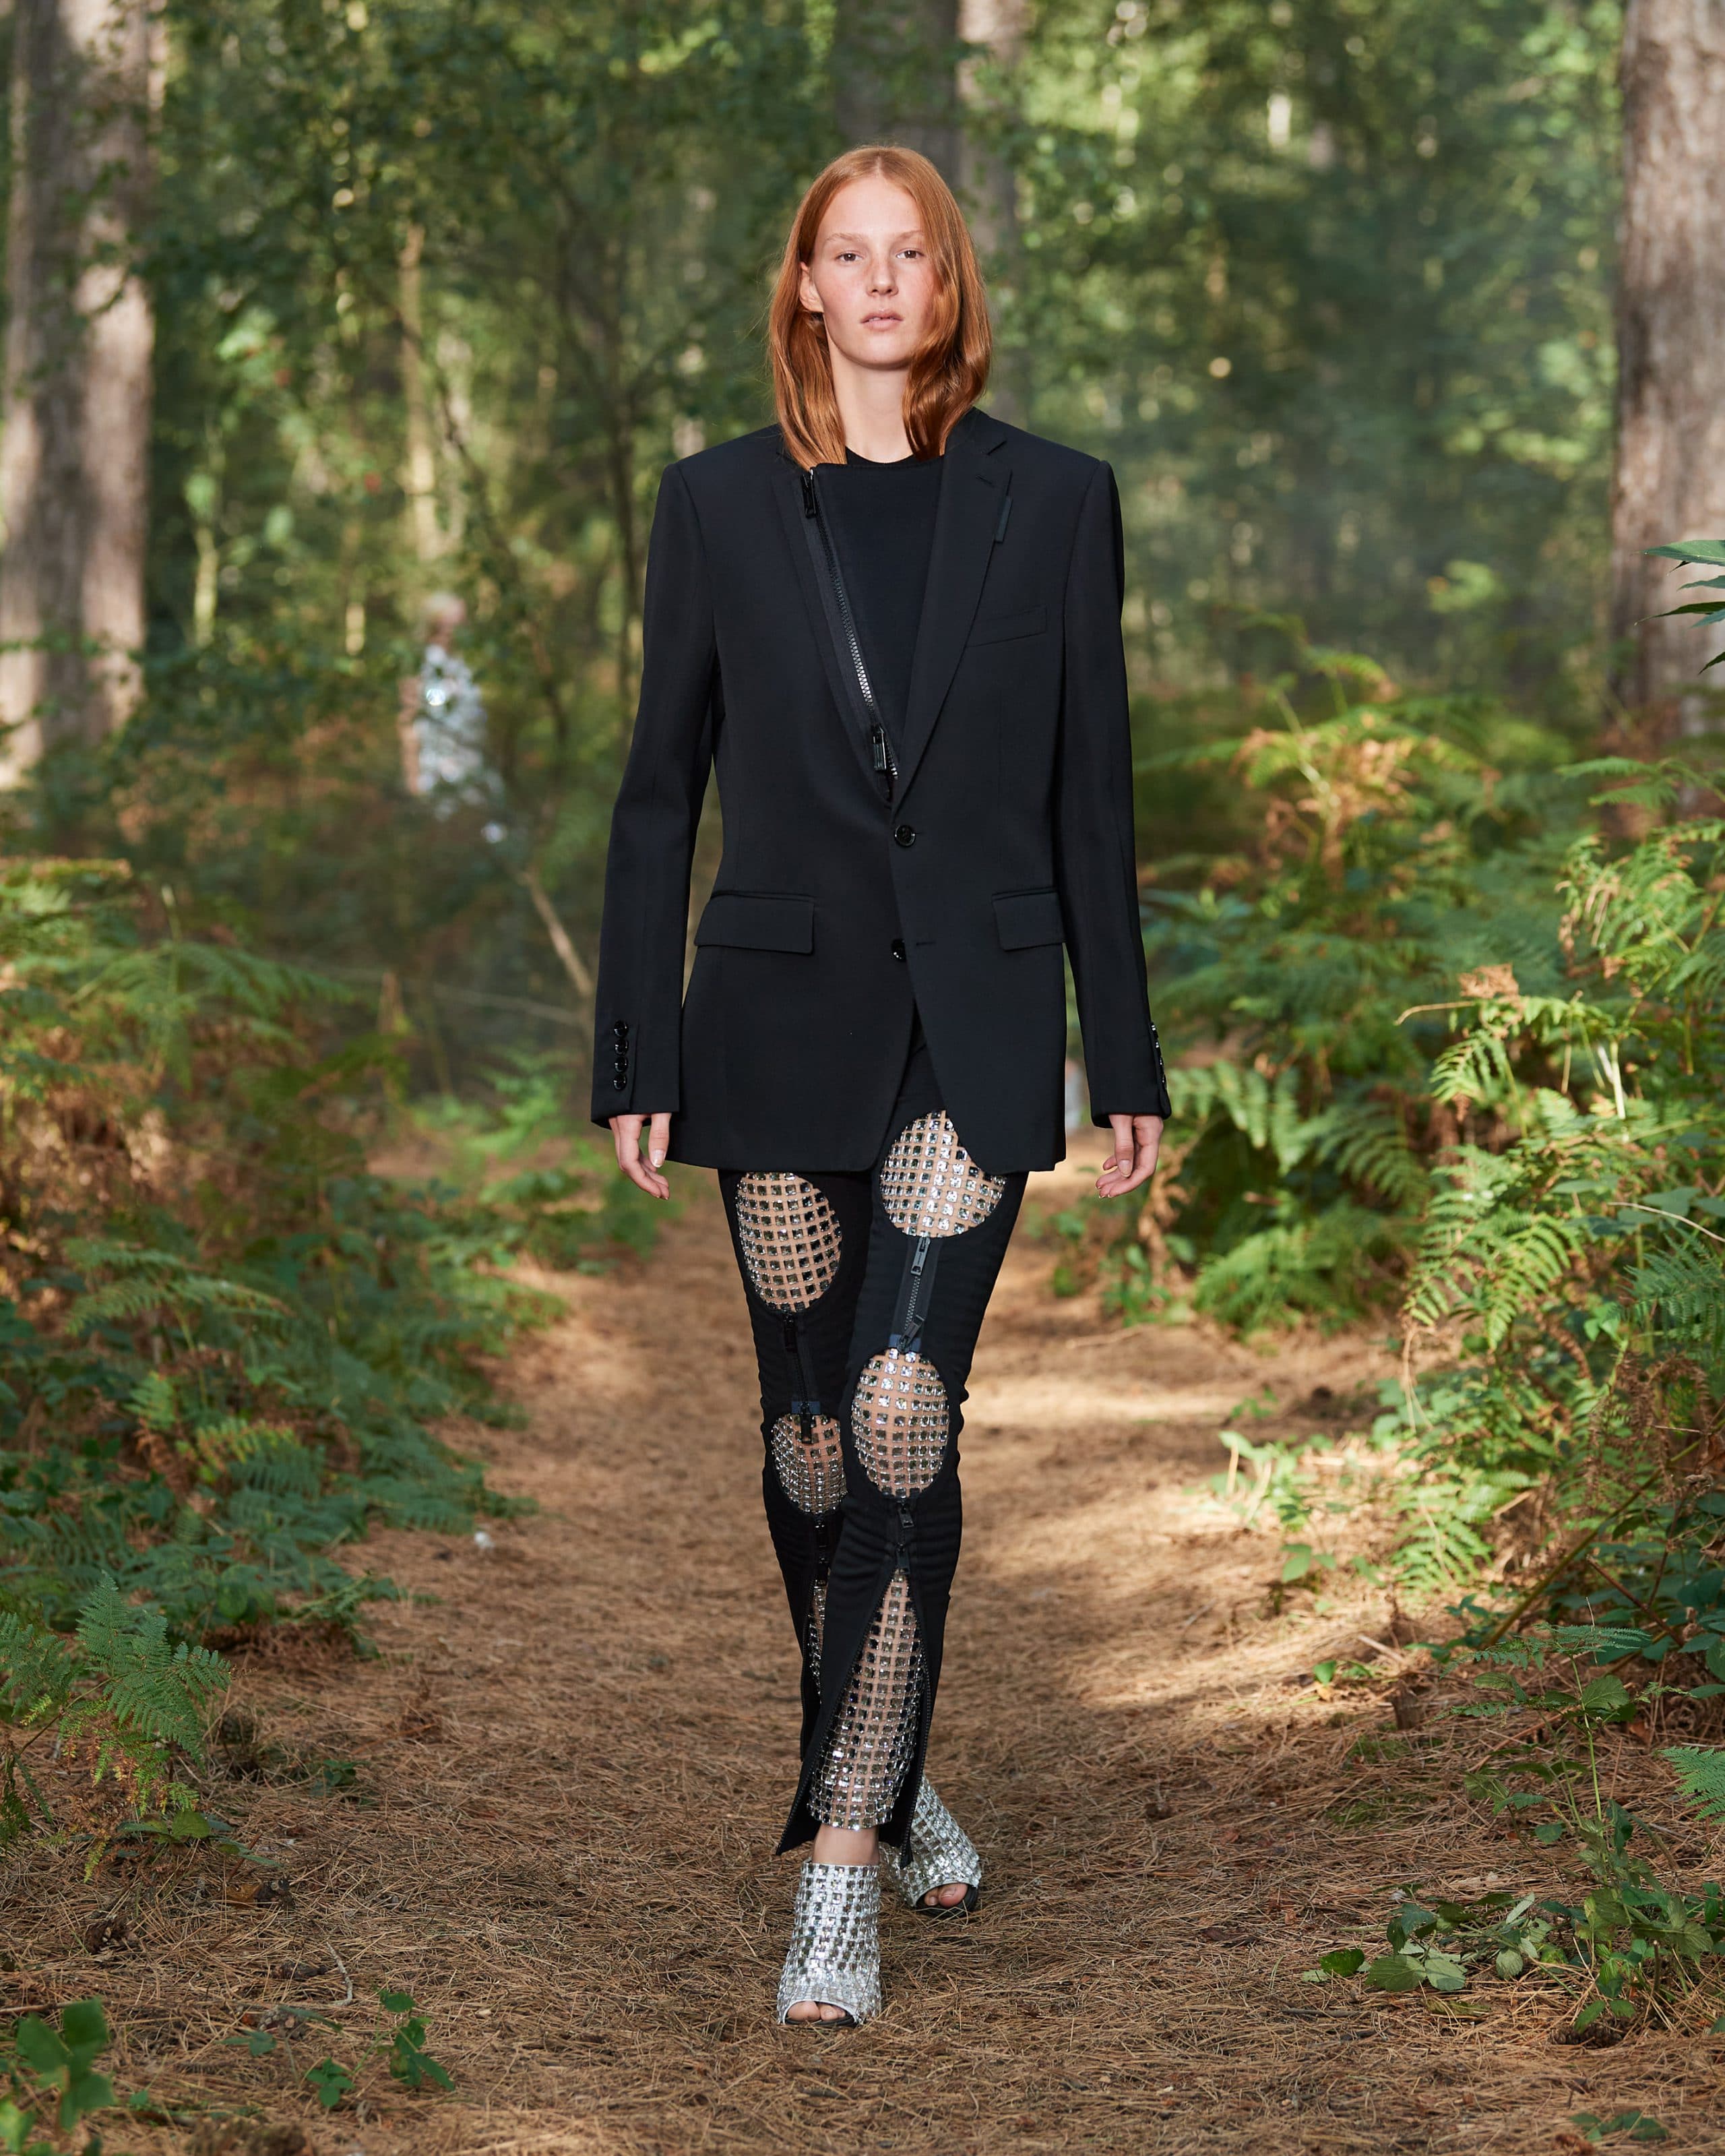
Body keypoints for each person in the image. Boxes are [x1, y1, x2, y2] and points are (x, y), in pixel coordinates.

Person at [591, 144, 1170, 2026]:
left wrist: (1124, 1050)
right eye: (849, 255)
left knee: (904, 1407)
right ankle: (892, 1758)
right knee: (813, 1443)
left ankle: (839, 1861)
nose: (882, 280)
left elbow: (1094, 798)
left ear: (948, 283)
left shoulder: (1056, 500)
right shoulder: (717, 504)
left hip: (974, 1026)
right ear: (806, 289)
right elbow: (659, 791)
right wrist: (634, 1049)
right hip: (774, 1027)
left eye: (911, 251)